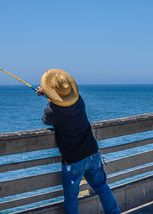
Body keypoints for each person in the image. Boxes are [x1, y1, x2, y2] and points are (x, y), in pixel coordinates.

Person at [36, 69, 120, 214]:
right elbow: (65, 105)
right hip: (92, 153)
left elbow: (46, 120)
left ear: (53, 90)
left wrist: (48, 97)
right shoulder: (79, 101)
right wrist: (50, 96)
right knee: (102, 187)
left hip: (73, 159)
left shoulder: (52, 111)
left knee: (71, 196)